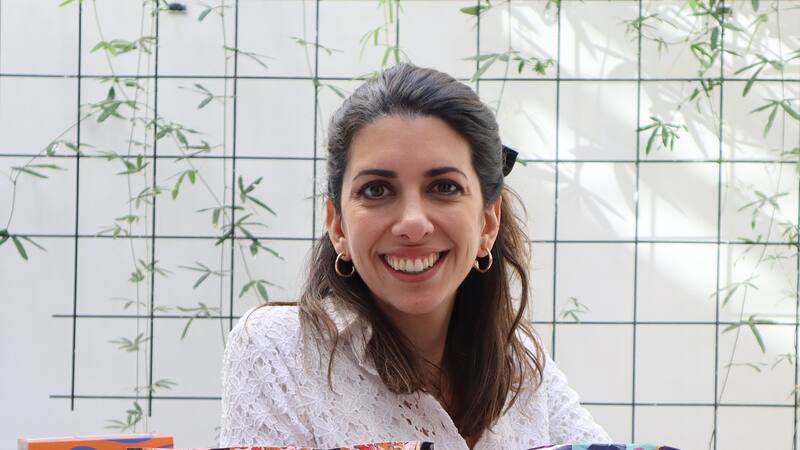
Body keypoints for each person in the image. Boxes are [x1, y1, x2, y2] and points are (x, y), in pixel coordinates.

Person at [219, 63, 611, 450]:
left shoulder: (519, 361)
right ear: (337, 226)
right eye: (376, 190)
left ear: (488, 222)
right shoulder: (279, 348)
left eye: (444, 187)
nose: (413, 223)